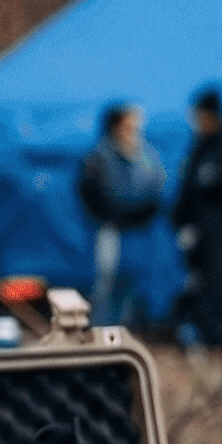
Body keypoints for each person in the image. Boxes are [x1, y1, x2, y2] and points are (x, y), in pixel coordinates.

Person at [171, 87, 222, 345]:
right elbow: (188, 187)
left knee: (219, 282)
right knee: (200, 282)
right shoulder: (200, 146)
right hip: (199, 229)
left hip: (221, 230)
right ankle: (202, 331)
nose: (197, 122)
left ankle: (220, 337)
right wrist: (181, 219)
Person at [76, 103, 167, 328]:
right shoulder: (99, 157)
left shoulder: (147, 156)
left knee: (135, 283)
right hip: (111, 231)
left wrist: (142, 214)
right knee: (106, 284)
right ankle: (101, 332)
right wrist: (113, 215)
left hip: (140, 233)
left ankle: (128, 332)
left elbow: (157, 190)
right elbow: (91, 193)